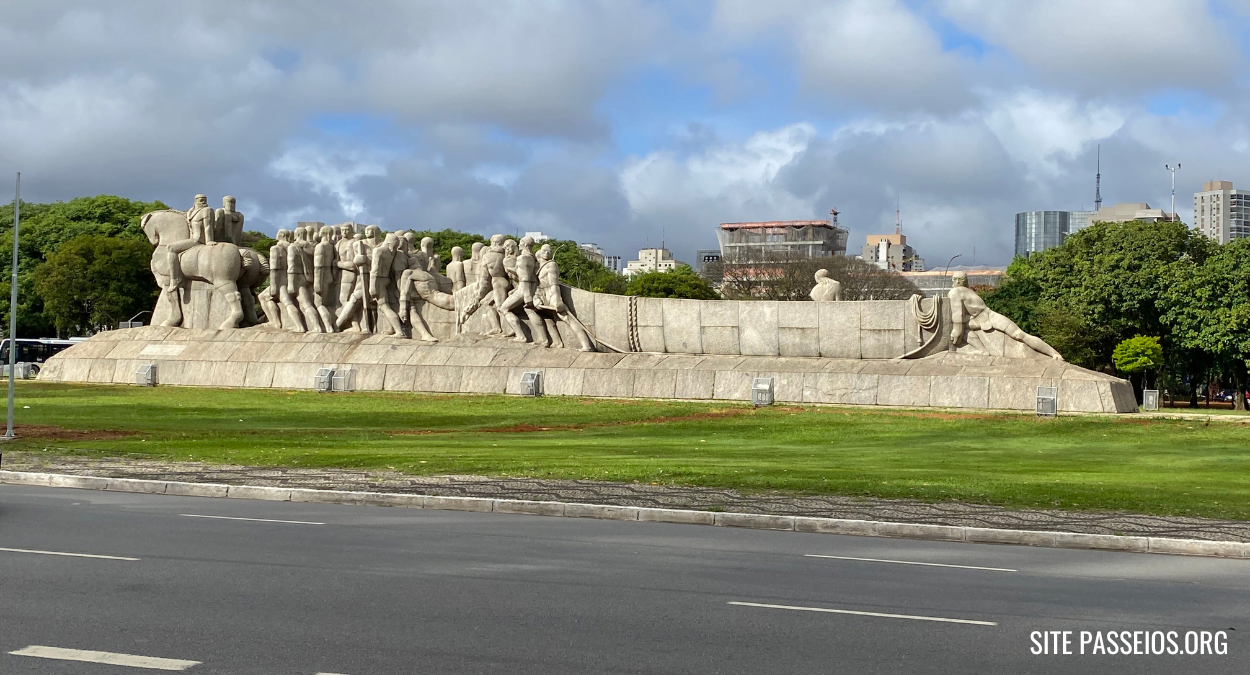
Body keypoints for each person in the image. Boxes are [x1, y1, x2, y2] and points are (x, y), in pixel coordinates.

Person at [949, 271, 1062, 360]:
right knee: (1020, 334)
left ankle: (1053, 353)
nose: (956, 282)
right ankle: (981, 350)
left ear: (962, 281)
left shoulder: (955, 292)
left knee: (1019, 334)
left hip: (988, 316)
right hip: (980, 319)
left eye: (958, 279)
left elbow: (957, 318)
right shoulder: (964, 291)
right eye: (955, 279)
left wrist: (956, 331)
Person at [535, 243, 594, 351]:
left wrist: (557, 299)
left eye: (549, 251)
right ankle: (556, 342)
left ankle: (586, 345)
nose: (547, 253)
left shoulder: (551, 265)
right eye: (544, 251)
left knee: (569, 319)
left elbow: (554, 284)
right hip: (544, 295)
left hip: (552, 294)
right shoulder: (539, 266)